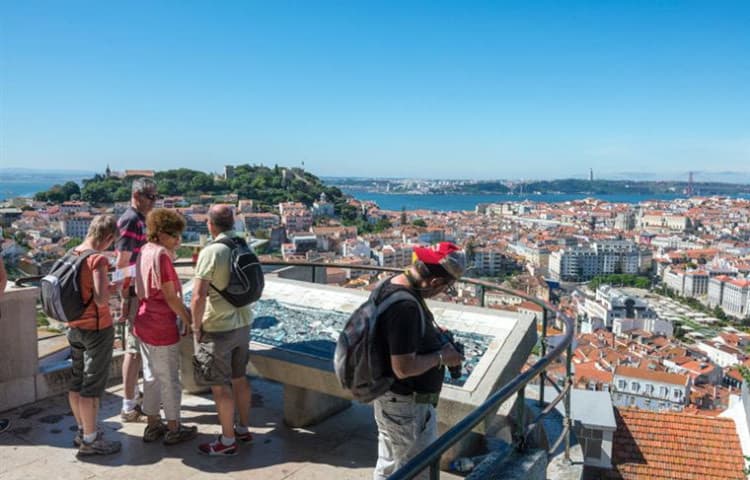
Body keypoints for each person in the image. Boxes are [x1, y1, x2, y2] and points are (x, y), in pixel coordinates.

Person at [372, 242, 466, 480]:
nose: (444, 291)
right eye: (447, 287)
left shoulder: (390, 284)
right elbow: (403, 368)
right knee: (415, 470)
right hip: (406, 404)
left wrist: (429, 333)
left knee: (390, 463)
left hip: (389, 396)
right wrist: (443, 356)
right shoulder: (405, 307)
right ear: (435, 282)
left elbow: (392, 337)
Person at [191, 204, 253, 456]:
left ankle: (227, 442)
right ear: (233, 223)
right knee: (240, 378)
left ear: (210, 224)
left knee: (219, 386)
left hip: (219, 326)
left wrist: (196, 327)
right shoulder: (243, 244)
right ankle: (243, 428)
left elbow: (198, 296)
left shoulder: (212, 252)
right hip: (244, 322)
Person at [134, 209, 198, 445]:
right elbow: (170, 297)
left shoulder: (144, 250)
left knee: (150, 376)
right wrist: (189, 319)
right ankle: (173, 428)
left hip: (143, 322)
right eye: (174, 235)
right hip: (161, 325)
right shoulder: (161, 256)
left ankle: (153, 425)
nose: (177, 240)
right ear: (160, 233)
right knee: (169, 378)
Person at [67, 215, 121, 456]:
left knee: (76, 381)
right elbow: (100, 298)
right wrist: (114, 287)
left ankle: (82, 431)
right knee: (91, 386)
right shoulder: (97, 259)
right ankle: (91, 440)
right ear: (108, 237)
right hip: (96, 329)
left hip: (74, 327)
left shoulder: (73, 252)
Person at [116, 177, 158, 422]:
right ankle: (128, 406)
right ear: (137, 196)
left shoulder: (140, 220)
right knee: (132, 350)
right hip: (134, 294)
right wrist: (125, 296)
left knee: (137, 349)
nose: (155, 201)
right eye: (151, 197)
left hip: (138, 293)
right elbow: (122, 264)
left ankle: (135, 398)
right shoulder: (131, 220)